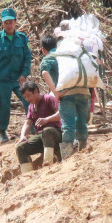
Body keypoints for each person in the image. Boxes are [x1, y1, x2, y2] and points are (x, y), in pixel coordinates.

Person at [40, 32, 90, 160]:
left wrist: (55, 93)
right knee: (81, 124)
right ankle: (83, 153)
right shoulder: (70, 52)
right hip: (84, 91)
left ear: (43, 50)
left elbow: (45, 72)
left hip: (67, 94)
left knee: (68, 127)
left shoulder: (50, 57)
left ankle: (66, 159)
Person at [0, 8, 32, 143]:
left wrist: (24, 74)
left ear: (15, 22)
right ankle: (2, 132)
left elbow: (27, 58)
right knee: (3, 106)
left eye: (11, 22)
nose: (9, 25)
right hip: (2, 80)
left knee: (28, 101)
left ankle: (33, 126)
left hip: (18, 79)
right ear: (2, 24)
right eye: (6, 23)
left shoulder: (22, 38)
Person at [15, 81, 62, 172]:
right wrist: (23, 136)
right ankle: (27, 174)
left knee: (47, 130)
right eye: (25, 97)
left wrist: (47, 119)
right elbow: (28, 123)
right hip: (41, 137)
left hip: (55, 134)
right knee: (20, 147)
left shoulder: (48, 99)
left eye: (28, 95)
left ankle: (48, 163)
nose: (27, 99)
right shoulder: (30, 107)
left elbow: (61, 114)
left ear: (36, 91)